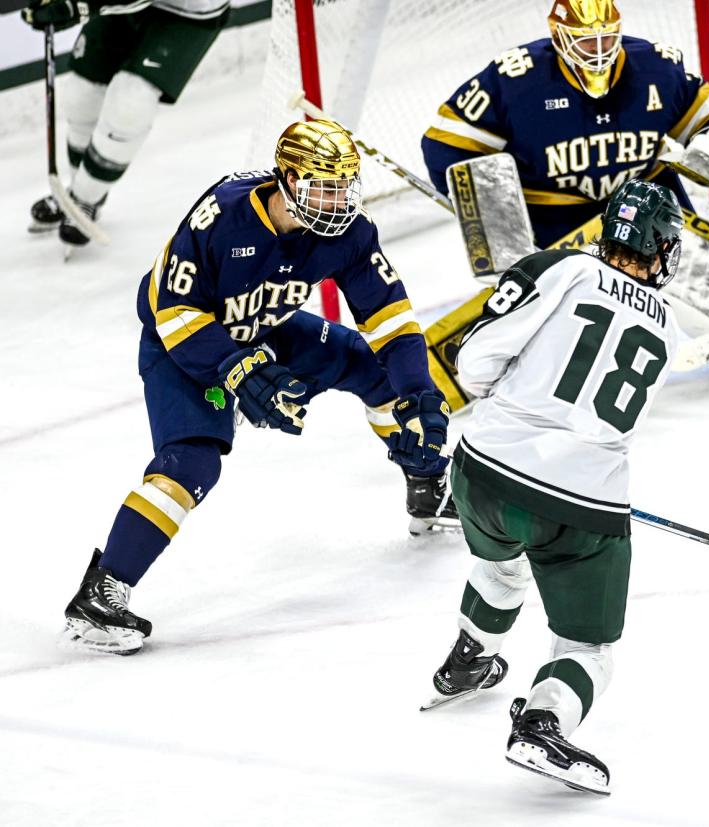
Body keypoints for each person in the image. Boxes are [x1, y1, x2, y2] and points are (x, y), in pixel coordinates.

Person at [63, 119, 455, 655]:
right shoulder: (222, 214)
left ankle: (428, 485)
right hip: (188, 341)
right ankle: (103, 591)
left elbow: (389, 316)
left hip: (267, 325)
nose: (338, 201)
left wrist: (422, 393)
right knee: (192, 462)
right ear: (288, 180)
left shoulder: (350, 231)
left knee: (385, 375)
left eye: (345, 187)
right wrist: (236, 368)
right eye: (323, 187)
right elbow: (170, 310)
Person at [419, 180, 683, 797]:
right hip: (581, 504)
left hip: (480, 476)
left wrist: (513, 410)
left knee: (501, 564)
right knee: (589, 647)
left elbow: (475, 361)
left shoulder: (557, 267)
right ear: (656, 247)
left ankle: (470, 657)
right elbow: (616, 421)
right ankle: (542, 724)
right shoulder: (667, 326)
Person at [420, 0, 709, 248]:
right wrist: (486, 215)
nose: (598, 50)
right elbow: (447, 144)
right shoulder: (516, 80)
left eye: (606, 38)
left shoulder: (656, 68)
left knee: (708, 268)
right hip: (555, 214)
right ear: (559, 37)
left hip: (646, 199)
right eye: (586, 40)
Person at [23, 0, 229, 248]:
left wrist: (77, 6)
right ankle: (77, 194)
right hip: (122, 7)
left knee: (131, 102)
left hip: (189, 13)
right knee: (81, 93)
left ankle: (85, 196)